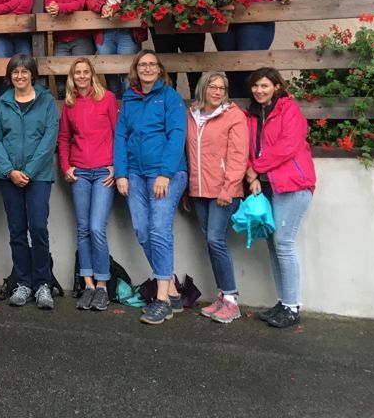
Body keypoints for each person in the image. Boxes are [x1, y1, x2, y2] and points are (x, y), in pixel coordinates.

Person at [113, 51, 187, 324]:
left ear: (159, 69)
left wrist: (165, 174)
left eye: (152, 64)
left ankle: (162, 300)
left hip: (166, 174)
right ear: (136, 69)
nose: (147, 68)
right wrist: (121, 173)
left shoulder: (170, 97)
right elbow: (121, 137)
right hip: (135, 174)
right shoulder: (129, 99)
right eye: (142, 64)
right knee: (143, 231)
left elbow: (177, 135)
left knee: (158, 230)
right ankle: (173, 289)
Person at [244, 67, 316, 329]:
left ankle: (293, 307)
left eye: (264, 85)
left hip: (293, 185)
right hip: (268, 185)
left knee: (284, 243)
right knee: (274, 245)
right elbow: (249, 149)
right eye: (255, 86)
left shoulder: (289, 109)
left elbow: (288, 145)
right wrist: (252, 176)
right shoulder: (252, 114)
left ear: (277, 87)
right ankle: (284, 301)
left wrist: (256, 168)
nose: (259, 90)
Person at [0, 53, 59, 310]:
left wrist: (27, 171)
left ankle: (42, 284)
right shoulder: (1, 104)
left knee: (38, 228)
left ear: (32, 74)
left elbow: (49, 139)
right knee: (17, 231)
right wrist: (10, 171)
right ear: (10, 76)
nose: (20, 76)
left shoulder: (47, 102)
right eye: (15, 72)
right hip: (7, 177)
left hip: (38, 176)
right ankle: (23, 283)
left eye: (24, 71)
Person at [185, 71, 248, 323]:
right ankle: (222, 296)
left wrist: (229, 187)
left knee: (215, 239)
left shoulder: (233, 115)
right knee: (211, 242)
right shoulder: (192, 114)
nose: (218, 92)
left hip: (223, 191)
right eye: (213, 87)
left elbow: (238, 155)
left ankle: (231, 299)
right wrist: (189, 189)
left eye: (222, 88)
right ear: (203, 88)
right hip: (199, 190)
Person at [57, 57, 117, 311]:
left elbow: (118, 133)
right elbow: (63, 138)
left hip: (104, 172)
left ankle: (102, 286)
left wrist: (116, 166)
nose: (81, 76)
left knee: (96, 227)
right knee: (82, 229)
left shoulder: (107, 99)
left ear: (92, 74)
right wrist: (66, 166)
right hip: (80, 172)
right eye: (77, 72)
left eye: (85, 72)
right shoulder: (69, 104)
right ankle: (88, 285)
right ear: (72, 77)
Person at [44, 0, 94, 98]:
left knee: (83, 81)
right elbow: (48, 1)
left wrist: (59, 8)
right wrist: (52, 7)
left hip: (82, 37)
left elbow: (78, 3)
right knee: (61, 84)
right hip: (60, 38)